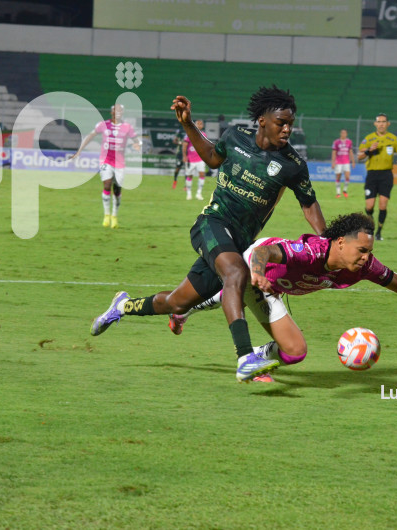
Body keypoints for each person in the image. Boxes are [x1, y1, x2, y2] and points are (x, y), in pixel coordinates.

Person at [89, 86, 327, 382]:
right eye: (282, 122)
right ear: (263, 120)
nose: (287, 129)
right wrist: (188, 124)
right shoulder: (234, 136)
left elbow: (309, 204)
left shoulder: (292, 165)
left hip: (237, 241)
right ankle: (245, 358)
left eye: (291, 123)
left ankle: (121, 306)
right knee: (236, 272)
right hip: (211, 223)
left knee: (176, 303)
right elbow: (213, 158)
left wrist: (326, 242)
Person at [168, 213, 397, 381]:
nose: (367, 257)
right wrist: (257, 271)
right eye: (362, 250)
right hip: (256, 271)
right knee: (249, 299)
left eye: (369, 252)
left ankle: (190, 313)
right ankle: (244, 353)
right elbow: (265, 251)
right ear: (338, 243)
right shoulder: (310, 252)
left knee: (293, 354)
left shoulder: (364, 268)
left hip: (276, 287)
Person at [69, 104, 141, 229]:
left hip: (120, 163)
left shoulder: (127, 127)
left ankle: (114, 216)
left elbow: (136, 140)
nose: (117, 112)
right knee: (107, 185)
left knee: (117, 189)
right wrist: (79, 150)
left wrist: (137, 145)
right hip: (105, 161)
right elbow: (90, 136)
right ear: (111, 112)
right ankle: (106, 215)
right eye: (115, 110)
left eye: (120, 111)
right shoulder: (102, 125)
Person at [357, 113, 397, 241]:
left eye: (384, 121)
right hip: (372, 175)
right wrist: (369, 150)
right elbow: (359, 156)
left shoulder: (393, 139)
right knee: (369, 206)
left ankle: (378, 232)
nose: (381, 124)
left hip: (386, 175)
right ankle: (371, 223)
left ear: (388, 124)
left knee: (383, 205)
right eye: (379, 122)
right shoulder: (369, 139)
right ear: (375, 124)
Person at [182, 119, 207, 201]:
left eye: (201, 124)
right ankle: (188, 193)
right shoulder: (189, 134)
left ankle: (199, 193)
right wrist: (184, 156)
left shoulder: (204, 135)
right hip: (190, 159)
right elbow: (184, 145)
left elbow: (205, 146)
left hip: (200, 159)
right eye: (198, 124)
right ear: (195, 125)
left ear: (202, 126)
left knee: (202, 174)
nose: (199, 125)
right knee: (190, 176)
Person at [332, 129, 355, 198]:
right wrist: (333, 162)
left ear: (346, 134)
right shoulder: (336, 142)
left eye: (344, 133)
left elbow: (350, 152)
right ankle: (338, 193)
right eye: (342, 133)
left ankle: (344, 190)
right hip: (338, 162)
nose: (343, 134)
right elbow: (334, 152)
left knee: (347, 177)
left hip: (346, 162)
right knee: (338, 177)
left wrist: (353, 161)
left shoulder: (349, 142)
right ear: (340, 134)